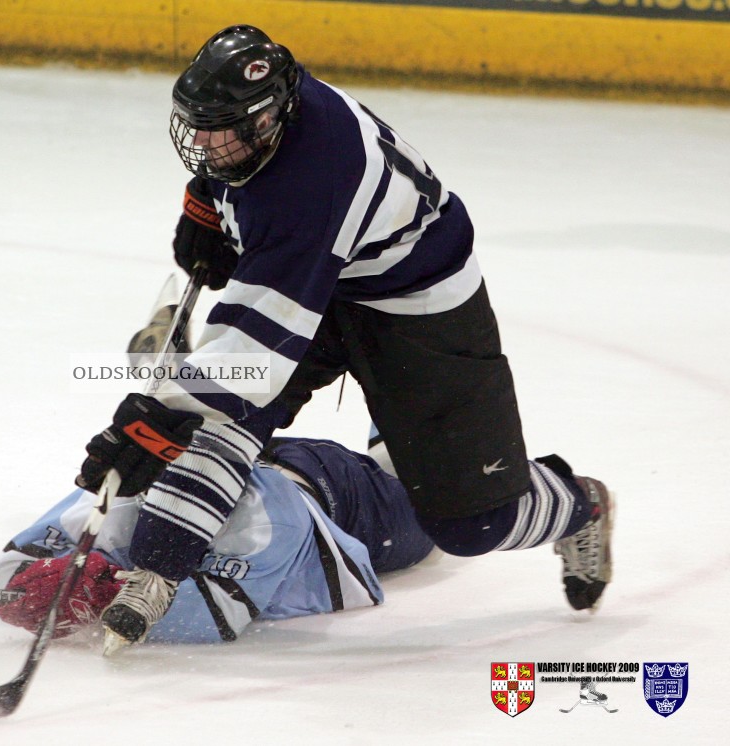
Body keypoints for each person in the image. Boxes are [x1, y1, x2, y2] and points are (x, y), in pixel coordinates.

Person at [75, 25, 613, 652]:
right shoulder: (266, 126)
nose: (198, 139)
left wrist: (155, 420)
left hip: (418, 306)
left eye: (215, 127)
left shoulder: (314, 179)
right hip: (332, 268)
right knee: (226, 416)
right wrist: (206, 202)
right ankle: (158, 569)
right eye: (194, 121)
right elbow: (239, 185)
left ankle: (579, 504)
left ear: (265, 120)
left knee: (468, 523)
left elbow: (252, 355)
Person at [0, 436, 435, 651]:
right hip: (276, 457)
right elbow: (16, 562)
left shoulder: (269, 519)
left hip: (354, 503)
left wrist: (100, 590)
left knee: (451, 509)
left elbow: (215, 616)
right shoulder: (125, 487)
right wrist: (35, 580)